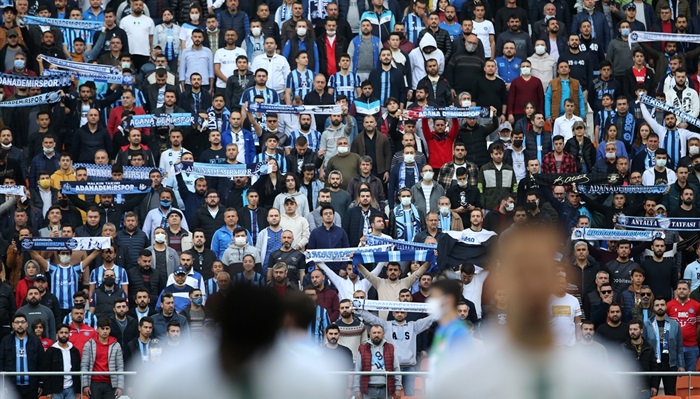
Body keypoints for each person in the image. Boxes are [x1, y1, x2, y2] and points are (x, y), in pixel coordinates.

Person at [643, 297, 685, 396]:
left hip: (670, 364)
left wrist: (681, 365)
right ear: (653, 307)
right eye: (657, 305)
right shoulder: (647, 324)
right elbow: (644, 345)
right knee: (652, 393)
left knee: (670, 394)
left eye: (662, 305)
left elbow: (679, 346)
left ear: (666, 306)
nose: (660, 307)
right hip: (653, 364)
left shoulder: (674, 325)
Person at [352, 324, 402, 399]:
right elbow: (358, 370)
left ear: (383, 334)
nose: (376, 335)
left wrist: (398, 387)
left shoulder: (390, 348)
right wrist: (357, 389)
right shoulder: (362, 349)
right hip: (367, 388)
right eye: (374, 333)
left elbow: (396, 368)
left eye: (379, 332)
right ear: (370, 334)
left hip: (386, 388)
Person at [80, 317, 124, 399]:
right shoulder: (89, 345)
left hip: (111, 384)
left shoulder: (116, 345)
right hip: (94, 383)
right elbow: (84, 365)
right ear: (97, 329)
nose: (105, 331)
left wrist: (119, 386)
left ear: (110, 330)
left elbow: (120, 367)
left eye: (107, 328)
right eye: (102, 328)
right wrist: (85, 385)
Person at [667, 281, 700, 371]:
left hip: (691, 347)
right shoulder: (669, 305)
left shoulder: (697, 306)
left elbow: (698, 326)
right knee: (675, 376)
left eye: (684, 289)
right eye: (679, 289)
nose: (681, 291)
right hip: (674, 347)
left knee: (690, 377)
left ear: (689, 291)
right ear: (676, 291)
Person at [43, 324, 82, 399]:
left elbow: (78, 371)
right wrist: (48, 391)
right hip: (56, 389)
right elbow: (46, 372)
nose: (64, 335)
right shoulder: (51, 351)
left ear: (69, 335)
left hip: (72, 389)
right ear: (57, 335)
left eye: (66, 333)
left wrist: (78, 391)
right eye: (61, 333)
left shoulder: (74, 351)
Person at [621, 319, 657, 398]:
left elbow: (654, 367)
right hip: (628, 388)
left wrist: (654, 386)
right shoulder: (623, 347)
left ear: (641, 331)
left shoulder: (649, 348)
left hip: (645, 388)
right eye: (630, 329)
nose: (632, 332)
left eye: (635, 329)